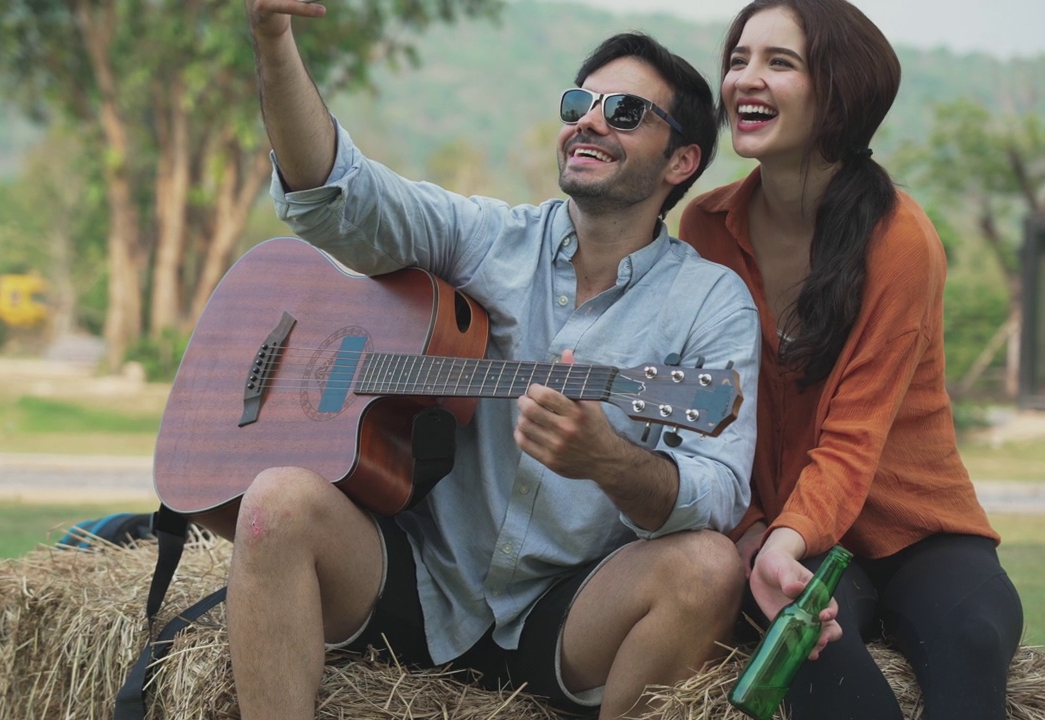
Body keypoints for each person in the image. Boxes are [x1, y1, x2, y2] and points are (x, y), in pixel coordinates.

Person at [217, 1, 764, 717]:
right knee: (273, 503)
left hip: (569, 613)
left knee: (707, 568)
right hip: (419, 576)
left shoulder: (713, 303)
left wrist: (610, 462)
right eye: (580, 103)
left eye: (625, 112)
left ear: (682, 161)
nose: (590, 121)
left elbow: (718, 487)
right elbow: (337, 197)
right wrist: (273, 38)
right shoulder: (487, 238)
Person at [679, 1, 1025, 718]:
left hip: (920, 533)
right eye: (739, 59)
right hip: (782, 540)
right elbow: (705, 408)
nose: (746, 78)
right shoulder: (705, 228)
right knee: (812, 657)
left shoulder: (900, 239)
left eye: (780, 62)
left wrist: (782, 540)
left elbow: (853, 438)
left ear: (840, 91)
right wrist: (753, 534)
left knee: (971, 636)